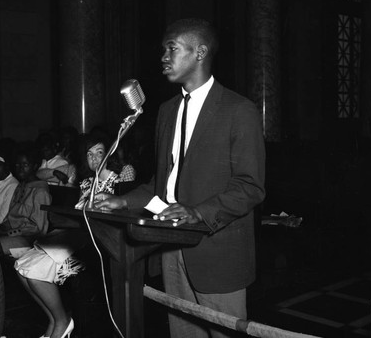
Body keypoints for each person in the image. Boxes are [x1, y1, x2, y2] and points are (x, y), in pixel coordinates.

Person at [99, 18, 266, 338]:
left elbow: (250, 186)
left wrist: (198, 212)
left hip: (216, 251)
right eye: (163, 49)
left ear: (200, 52)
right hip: (169, 247)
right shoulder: (166, 111)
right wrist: (123, 200)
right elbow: (161, 184)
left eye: (172, 49)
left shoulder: (238, 110)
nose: (163, 56)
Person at [14, 134, 135, 338]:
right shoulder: (87, 182)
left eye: (99, 152)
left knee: (33, 272)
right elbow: (78, 212)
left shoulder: (120, 177)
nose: (94, 158)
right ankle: (54, 321)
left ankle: (62, 321)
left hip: (101, 241)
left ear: (109, 154)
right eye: (89, 154)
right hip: (77, 234)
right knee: (21, 266)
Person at [0, 143, 51, 256]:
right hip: (14, 233)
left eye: (25, 164)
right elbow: (11, 215)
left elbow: (38, 228)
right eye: (17, 165)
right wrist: (1, 227)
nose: (20, 168)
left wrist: (9, 232)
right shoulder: (21, 186)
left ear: (35, 166)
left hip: (30, 239)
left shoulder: (40, 191)